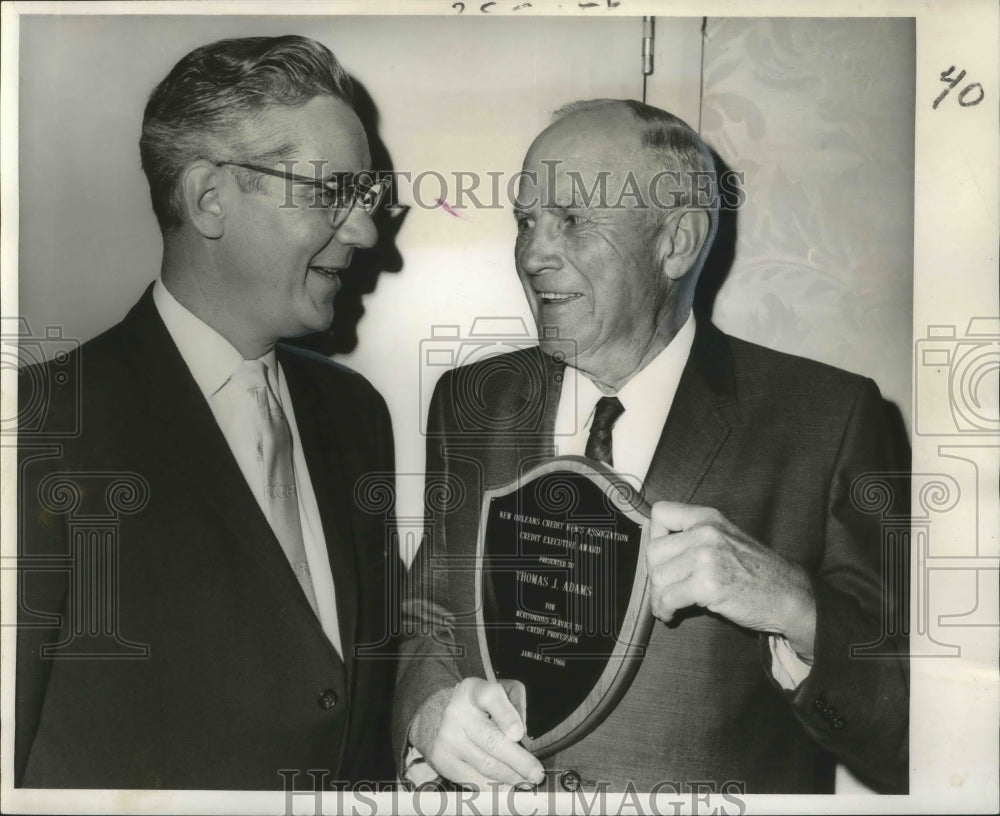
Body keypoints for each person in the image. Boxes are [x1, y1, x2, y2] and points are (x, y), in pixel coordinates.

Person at [394, 99, 908, 794]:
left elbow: (904, 738)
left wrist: (797, 608)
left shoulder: (829, 418)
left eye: (572, 220)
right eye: (525, 221)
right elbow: (430, 615)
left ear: (676, 242)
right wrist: (427, 713)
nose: (533, 254)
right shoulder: (470, 400)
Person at [16, 35, 398, 789]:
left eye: (366, 198)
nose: (363, 232)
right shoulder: (38, 428)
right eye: (331, 193)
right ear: (209, 198)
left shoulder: (357, 417)